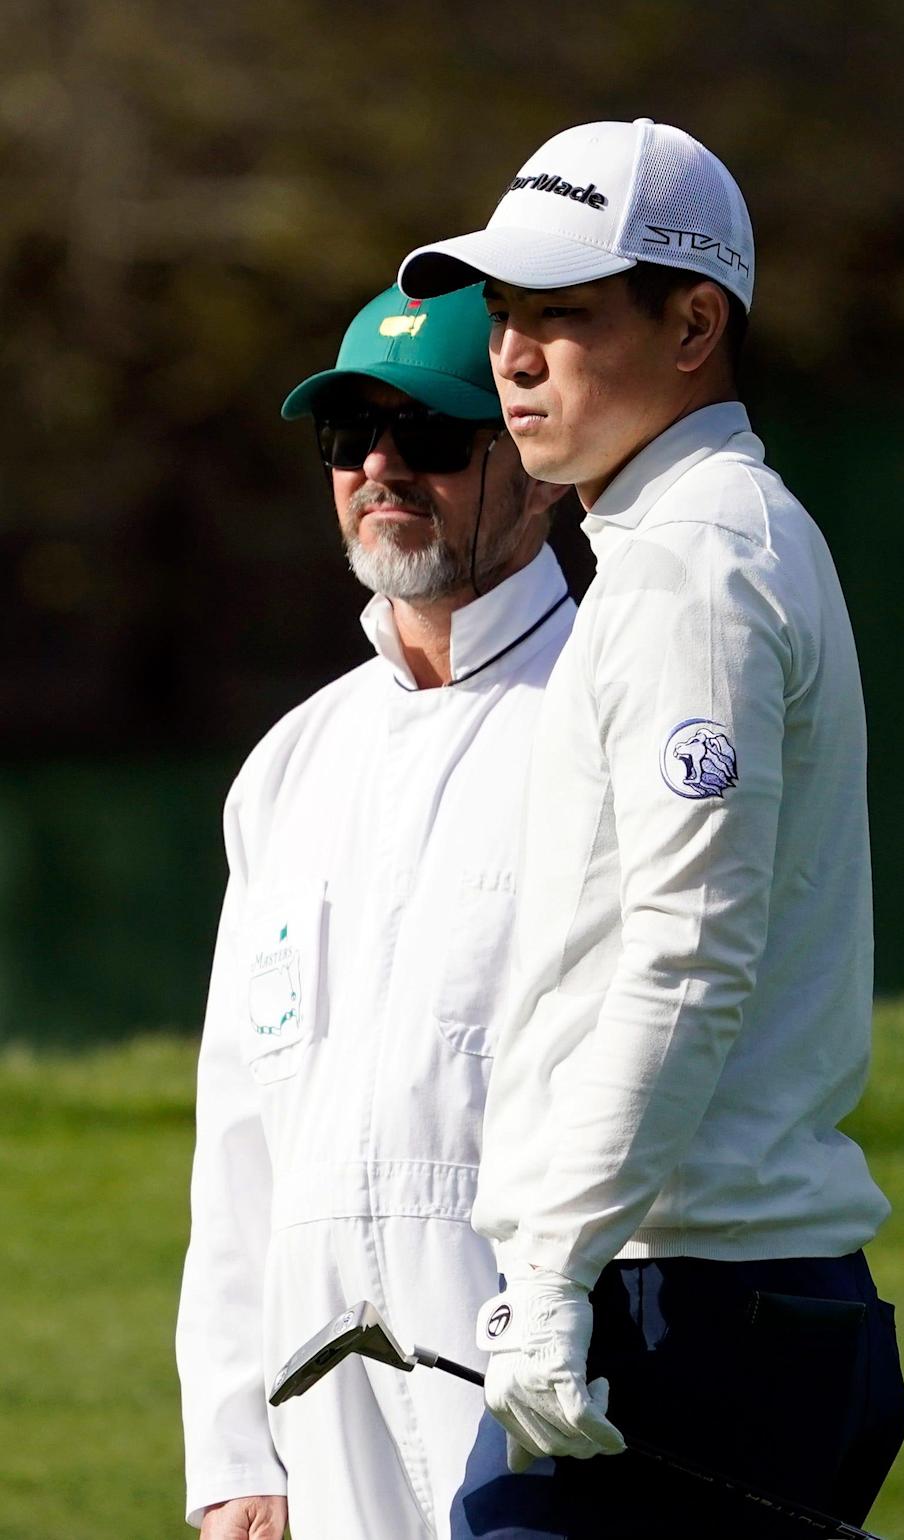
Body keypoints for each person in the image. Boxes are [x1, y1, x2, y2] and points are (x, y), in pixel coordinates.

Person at [398, 118, 904, 1538]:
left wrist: (554, 1273)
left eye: (561, 317)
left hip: (683, 1301)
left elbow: (688, 953)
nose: (511, 357)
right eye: (504, 318)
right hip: (713, 1290)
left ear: (695, 321)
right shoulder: (697, 538)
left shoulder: (695, 565)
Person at [175, 282, 573, 1540]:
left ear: (542, 470)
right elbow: (240, 1130)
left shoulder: (611, 705)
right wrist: (235, 1444)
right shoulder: (293, 761)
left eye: (436, 435)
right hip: (315, 1385)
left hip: (538, 1363)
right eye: (351, 436)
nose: (383, 467)